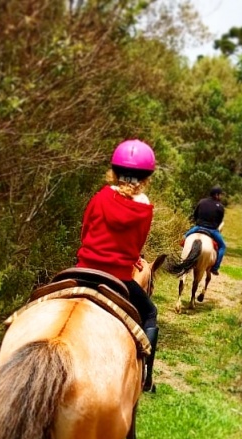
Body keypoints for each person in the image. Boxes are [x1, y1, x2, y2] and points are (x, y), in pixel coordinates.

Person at [75, 139, 159, 392]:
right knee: (150, 312)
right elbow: (136, 246)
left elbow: (86, 231)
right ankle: (145, 375)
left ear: (113, 170)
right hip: (119, 277)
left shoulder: (100, 197)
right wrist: (130, 257)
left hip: (83, 270)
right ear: (146, 178)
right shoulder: (144, 209)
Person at [185, 185, 226, 275]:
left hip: (198, 227)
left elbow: (195, 215)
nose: (221, 197)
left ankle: (183, 258)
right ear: (217, 195)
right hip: (212, 230)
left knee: (184, 238)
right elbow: (219, 221)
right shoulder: (220, 207)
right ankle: (215, 268)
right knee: (223, 246)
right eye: (220, 195)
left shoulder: (201, 202)